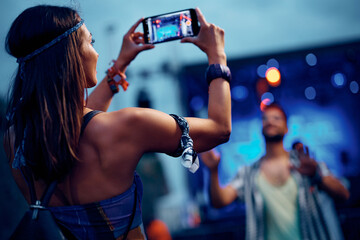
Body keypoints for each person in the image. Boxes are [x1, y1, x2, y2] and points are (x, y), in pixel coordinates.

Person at [3, 5, 231, 240]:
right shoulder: (130, 125)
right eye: (90, 42)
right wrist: (217, 57)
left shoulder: (15, 140)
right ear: (70, 55)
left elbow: (77, 126)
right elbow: (219, 129)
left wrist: (121, 63)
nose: (96, 53)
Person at [200, 103, 349, 240]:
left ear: (286, 128)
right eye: (265, 118)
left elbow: (343, 194)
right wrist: (213, 170)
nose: (270, 121)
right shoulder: (249, 173)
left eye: (276, 118)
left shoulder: (306, 164)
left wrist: (317, 176)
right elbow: (219, 201)